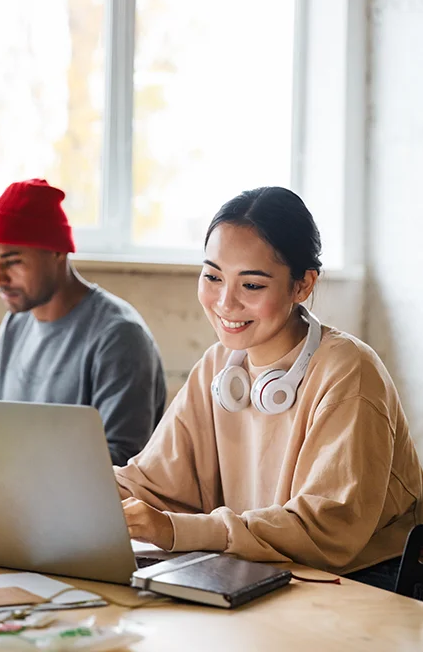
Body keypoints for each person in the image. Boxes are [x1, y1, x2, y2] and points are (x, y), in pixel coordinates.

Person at [115, 186, 423, 591]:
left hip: (362, 583)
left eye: (252, 286)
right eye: (212, 276)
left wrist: (176, 530)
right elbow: (153, 484)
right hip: (258, 570)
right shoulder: (219, 365)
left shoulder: (350, 371)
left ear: (302, 285)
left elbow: (324, 531)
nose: (225, 302)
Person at [0, 178, 166, 466]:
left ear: (57, 252)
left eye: (12, 261)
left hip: (87, 509)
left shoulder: (119, 336)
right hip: (12, 498)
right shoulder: (15, 325)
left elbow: (123, 464)